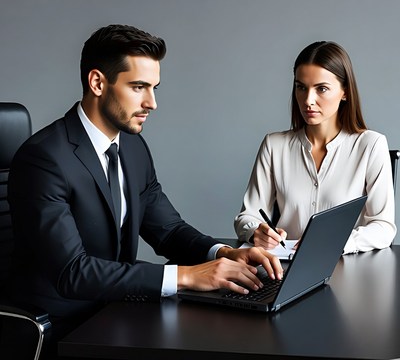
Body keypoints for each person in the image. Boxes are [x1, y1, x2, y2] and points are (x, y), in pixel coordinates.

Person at [7, 24, 283, 356]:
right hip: (62, 329)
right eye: (138, 87)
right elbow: (73, 272)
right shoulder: (45, 158)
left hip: (117, 312)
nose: (151, 102)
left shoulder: (133, 148)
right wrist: (186, 276)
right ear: (97, 83)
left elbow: (168, 231)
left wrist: (223, 253)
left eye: (154, 87)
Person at [234, 41, 396, 254]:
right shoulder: (274, 146)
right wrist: (257, 231)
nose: (308, 100)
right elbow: (247, 216)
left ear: (345, 92)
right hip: (282, 268)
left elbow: (383, 227)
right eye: (301, 87)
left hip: (346, 266)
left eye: (322, 89)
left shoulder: (371, 145)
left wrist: (336, 243)